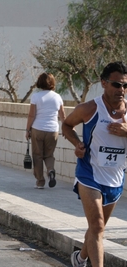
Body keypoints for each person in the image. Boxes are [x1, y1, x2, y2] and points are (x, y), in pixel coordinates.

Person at [62, 62, 127, 267]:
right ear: (104, 83)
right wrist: (77, 143)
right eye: (117, 85)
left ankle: (80, 259)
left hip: (115, 176)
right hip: (89, 173)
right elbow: (66, 125)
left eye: (126, 86)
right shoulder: (89, 108)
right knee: (98, 226)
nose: (122, 90)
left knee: (95, 228)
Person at [25, 73, 65, 189]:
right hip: (53, 130)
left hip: (38, 128)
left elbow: (31, 115)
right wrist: (67, 128)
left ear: (40, 82)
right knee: (49, 155)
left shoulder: (36, 97)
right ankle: (51, 170)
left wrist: (27, 130)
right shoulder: (57, 97)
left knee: (37, 155)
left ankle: (40, 181)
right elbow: (62, 115)